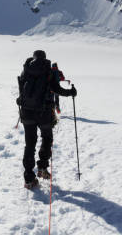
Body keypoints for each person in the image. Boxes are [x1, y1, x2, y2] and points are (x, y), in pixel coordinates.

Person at [17, 50, 77, 189]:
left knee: (30, 144)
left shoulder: (26, 71)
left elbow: (22, 91)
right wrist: (71, 92)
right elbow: (57, 89)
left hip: (27, 112)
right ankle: (42, 168)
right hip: (43, 113)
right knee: (47, 138)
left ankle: (29, 179)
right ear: (44, 58)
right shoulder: (48, 71)